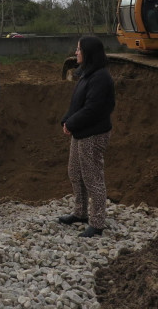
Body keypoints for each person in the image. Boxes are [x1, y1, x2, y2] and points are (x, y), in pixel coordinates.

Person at [57, 35, 115, 237]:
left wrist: (72, 123)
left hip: (93, 134)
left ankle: (97, 223)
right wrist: (66, 120)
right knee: (75, 172)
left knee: (92, 177)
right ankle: (80, 213)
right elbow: (77, 103)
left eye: (79, 49)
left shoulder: (100, 77)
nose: (76, 52)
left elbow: (93, 109)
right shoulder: (87, 74)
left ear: (88, 53)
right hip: (81, 132)